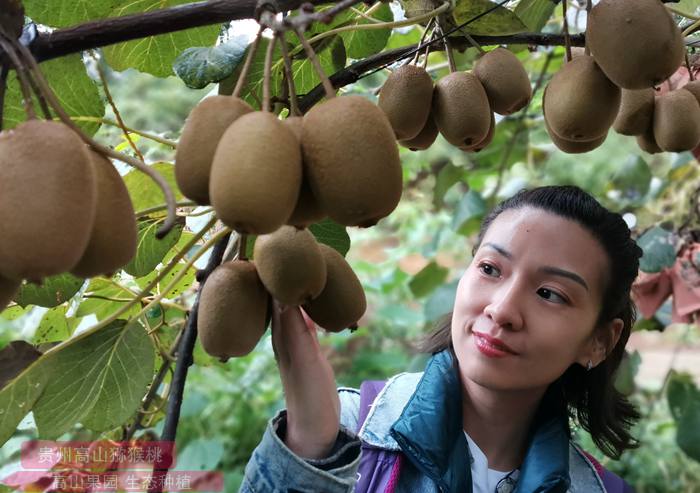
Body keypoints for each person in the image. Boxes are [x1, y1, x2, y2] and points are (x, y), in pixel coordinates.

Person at [240, 185, 641, 493]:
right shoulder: (343, 432)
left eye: (549, 293)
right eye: (490, 268)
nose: (501, 310)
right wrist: (308, 449)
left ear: (599, 342)